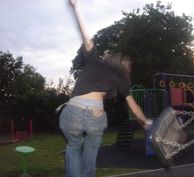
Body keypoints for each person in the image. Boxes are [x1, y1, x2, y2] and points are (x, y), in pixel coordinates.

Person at [59, 0, 152, 177]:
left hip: (75, 111)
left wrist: (76, 8)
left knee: (73, 145)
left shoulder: (96, 61)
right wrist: (145, 122)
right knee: (92, 150)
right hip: (96, 115)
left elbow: (86, 38)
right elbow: (133, 106)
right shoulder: (121, 77)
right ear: (126, 68)